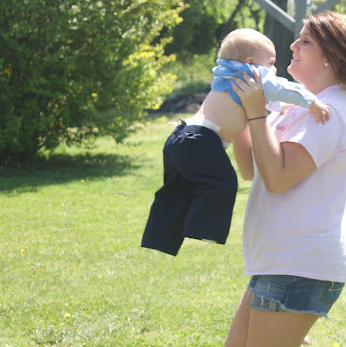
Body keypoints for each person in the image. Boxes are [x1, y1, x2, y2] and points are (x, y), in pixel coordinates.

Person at [224, 12, 346, 346]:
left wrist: (256, 111)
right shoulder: (294, 104)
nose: (293, 45)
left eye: (305, 41)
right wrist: (242, 107)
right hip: (279, 262)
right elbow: (251, 168)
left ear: (330, 58)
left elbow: (277, 179)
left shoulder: (327, 113)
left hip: (299, 267)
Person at [141, 28, 330, 256]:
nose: (274, 69)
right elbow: (281, 88)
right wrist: (311, 101)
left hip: (181, 137)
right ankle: (204, 229)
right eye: (271, 63)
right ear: (251, 62)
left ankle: (159, 236)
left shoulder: (230, 75)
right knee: (222, 180)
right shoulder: (252, 73)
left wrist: (281, 107)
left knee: (175, 192)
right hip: (202, 139)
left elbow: (264, 99)